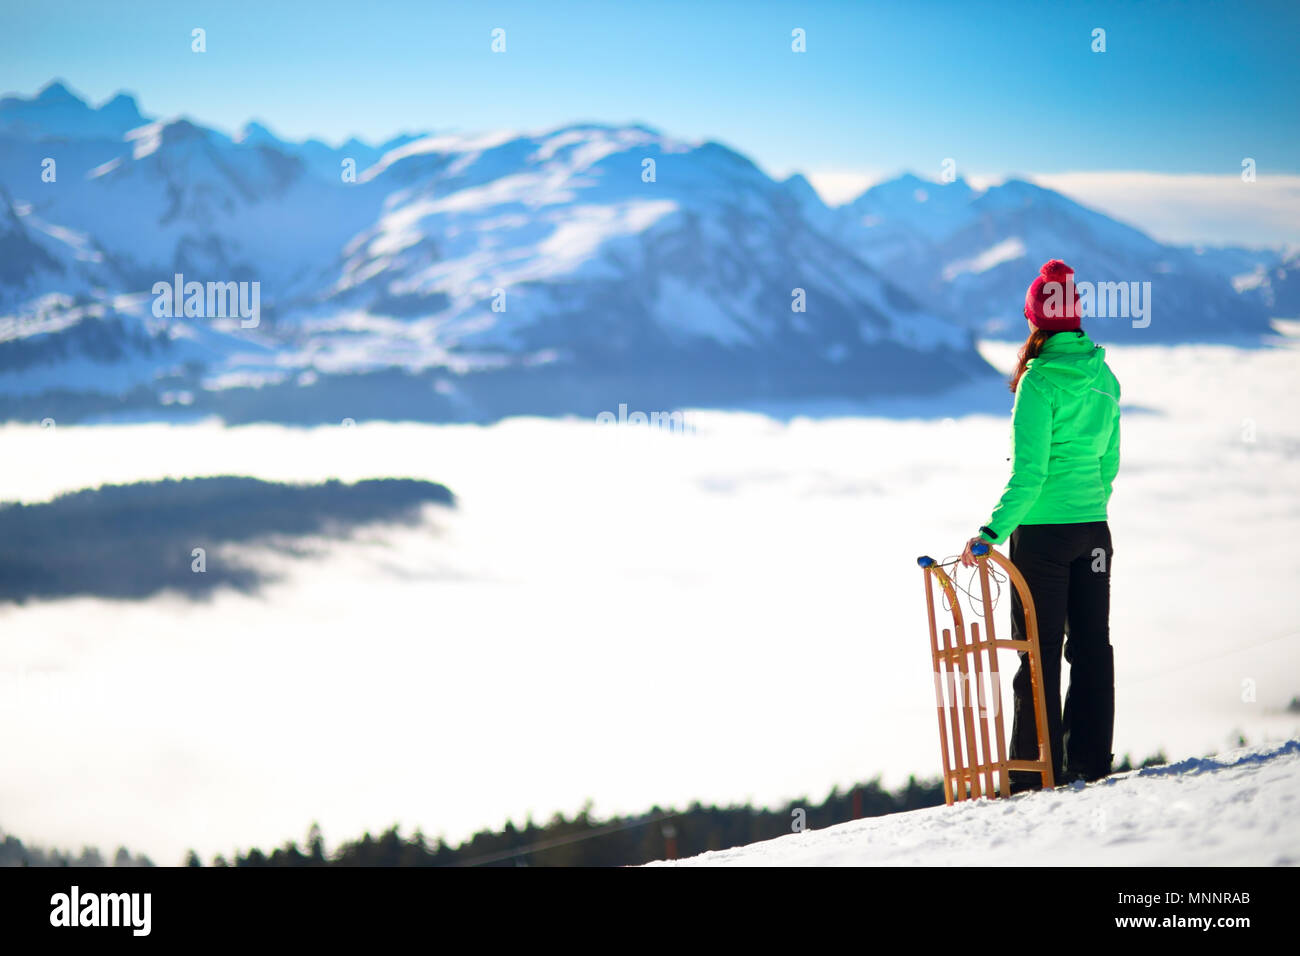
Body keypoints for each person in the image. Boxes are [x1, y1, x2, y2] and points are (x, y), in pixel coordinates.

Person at [958, 259, 1121, 792]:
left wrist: (989, 534)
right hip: (1093, 529)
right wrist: (1090, 504)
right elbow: (1109, 464)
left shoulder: (1037, 382)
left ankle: (1033, 771)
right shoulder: (1104, 377)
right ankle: (1090, 760)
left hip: (1044, 536)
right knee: (1093, 645)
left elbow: (1029, 476)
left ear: (1034, 321)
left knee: (1037, 649)